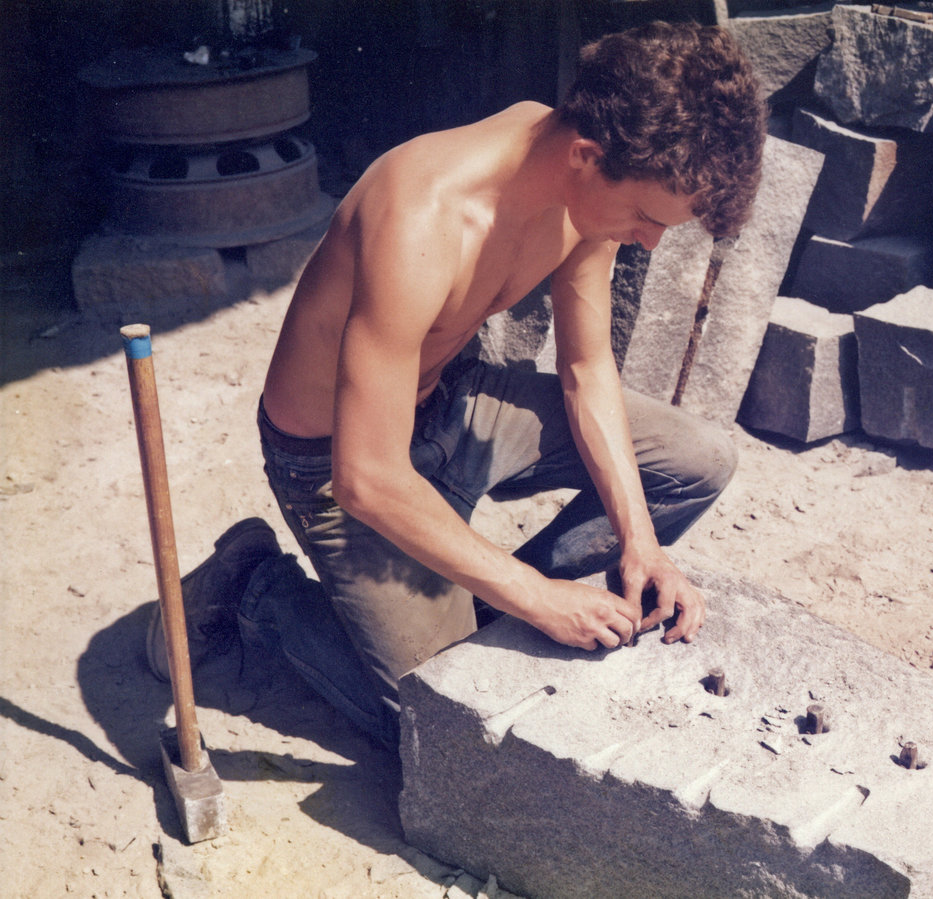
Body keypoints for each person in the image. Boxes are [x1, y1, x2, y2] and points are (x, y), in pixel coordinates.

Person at [147, 20, 767, 751]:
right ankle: (254, 587)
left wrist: (641, 543)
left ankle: (480, 610)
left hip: (450, 406)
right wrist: (537, 596)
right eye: (645, 216)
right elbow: (366, 477)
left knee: (699, 460)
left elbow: (586, 368)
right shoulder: (422, 215)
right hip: (332, 460)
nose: (651, 240)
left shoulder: (591, 189)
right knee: (438, 726)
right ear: (586, 157)